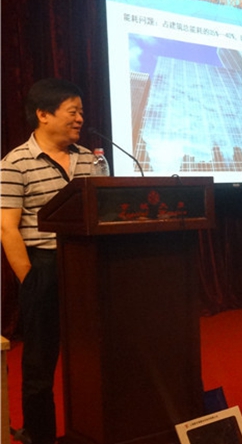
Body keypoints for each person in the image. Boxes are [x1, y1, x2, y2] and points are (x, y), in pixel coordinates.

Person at [1, 78, 95, 444]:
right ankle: (40, 436)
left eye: (81, 112)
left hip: (90, 265)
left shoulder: (89, 158)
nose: (80, 119)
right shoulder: (15, 164)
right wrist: (31, 280)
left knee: (96, 354)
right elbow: (7, 228)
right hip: (43, 265)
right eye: (73, 111)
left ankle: (93, 429)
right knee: (40, 364)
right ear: (43, 114)